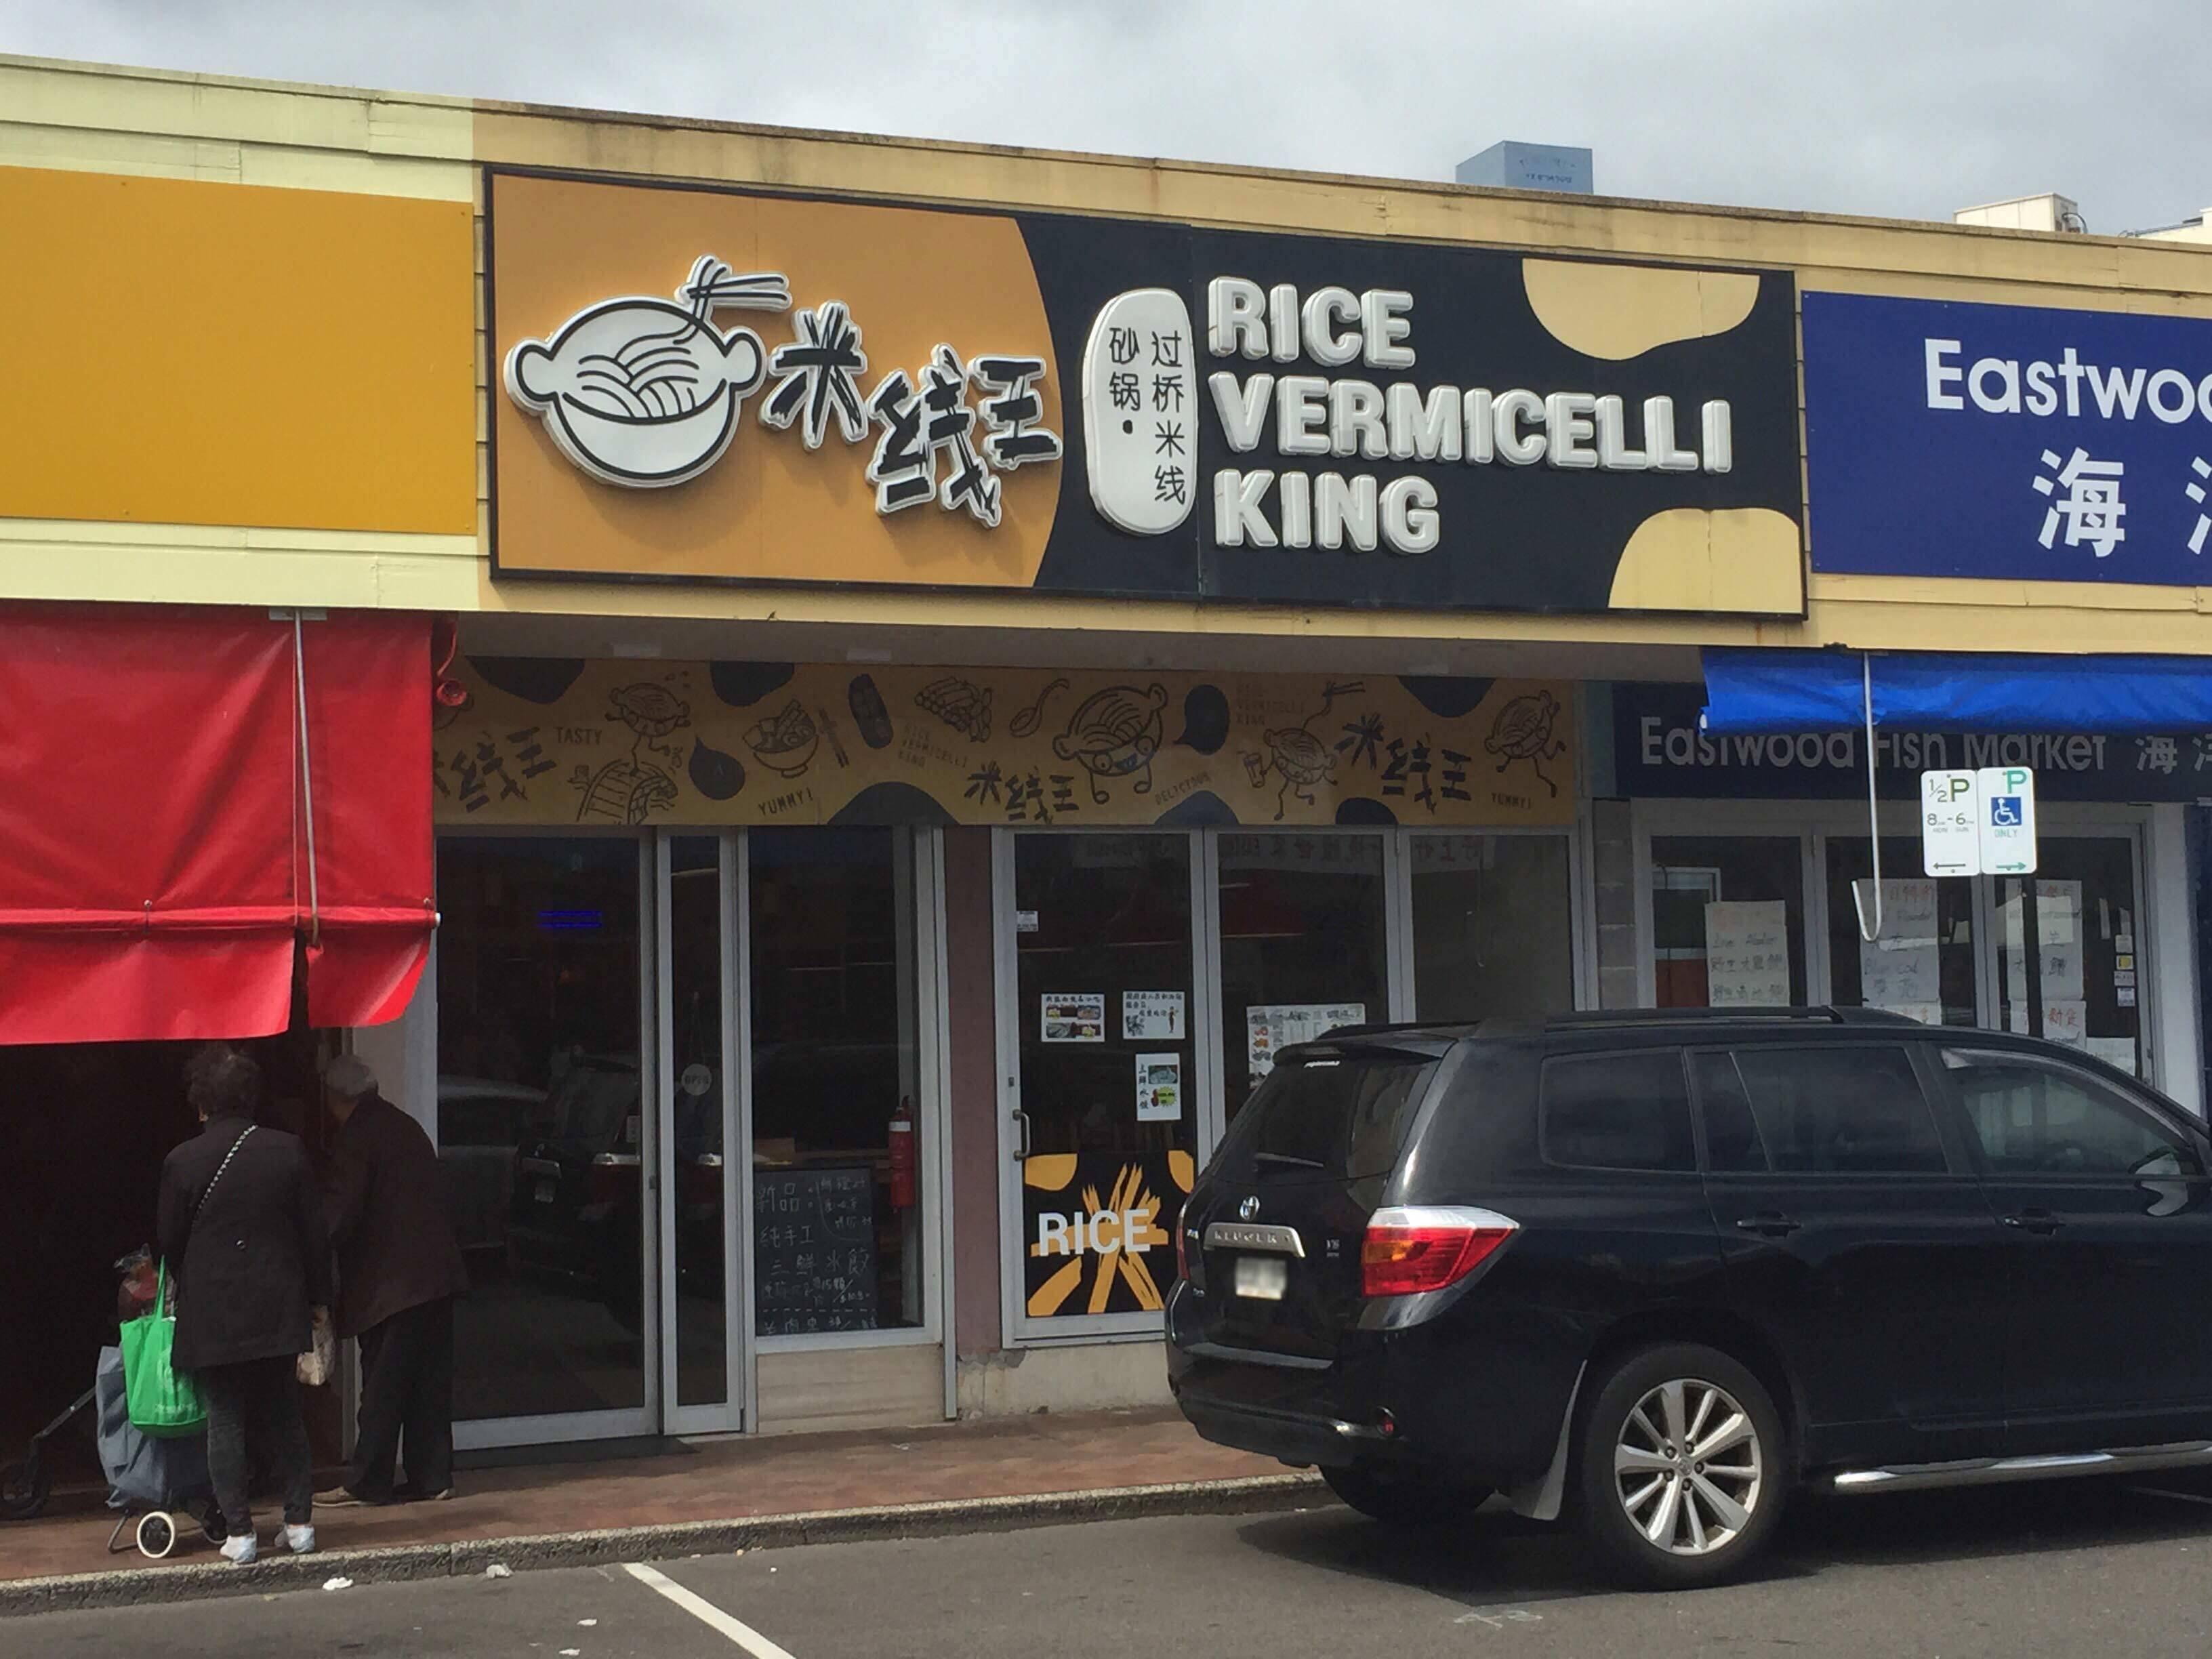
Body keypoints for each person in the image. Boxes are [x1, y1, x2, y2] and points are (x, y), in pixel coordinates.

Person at [155, 1048, 331, 1564]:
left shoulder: (182, 1161)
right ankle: (299, 1524)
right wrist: (319, 1299)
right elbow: (314, 1236)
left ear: (201, 1103)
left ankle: (241, 1533)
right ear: (252, 1097)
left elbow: (169, 1241)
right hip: (278, 1303)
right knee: (285, 1414)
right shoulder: (288, 1151)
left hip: (214, 1310)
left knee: (226, 1417)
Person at [317, 1056, 468, 1508]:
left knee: (384, 1386)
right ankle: (433, 1476)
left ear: (335, 1097)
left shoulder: (357, 1137)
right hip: (435, 1276)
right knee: (428, 1384)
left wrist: (309, 1244)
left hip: (391, 1286)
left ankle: (368, 1481)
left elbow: (340, 1213)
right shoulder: (406, 1126)